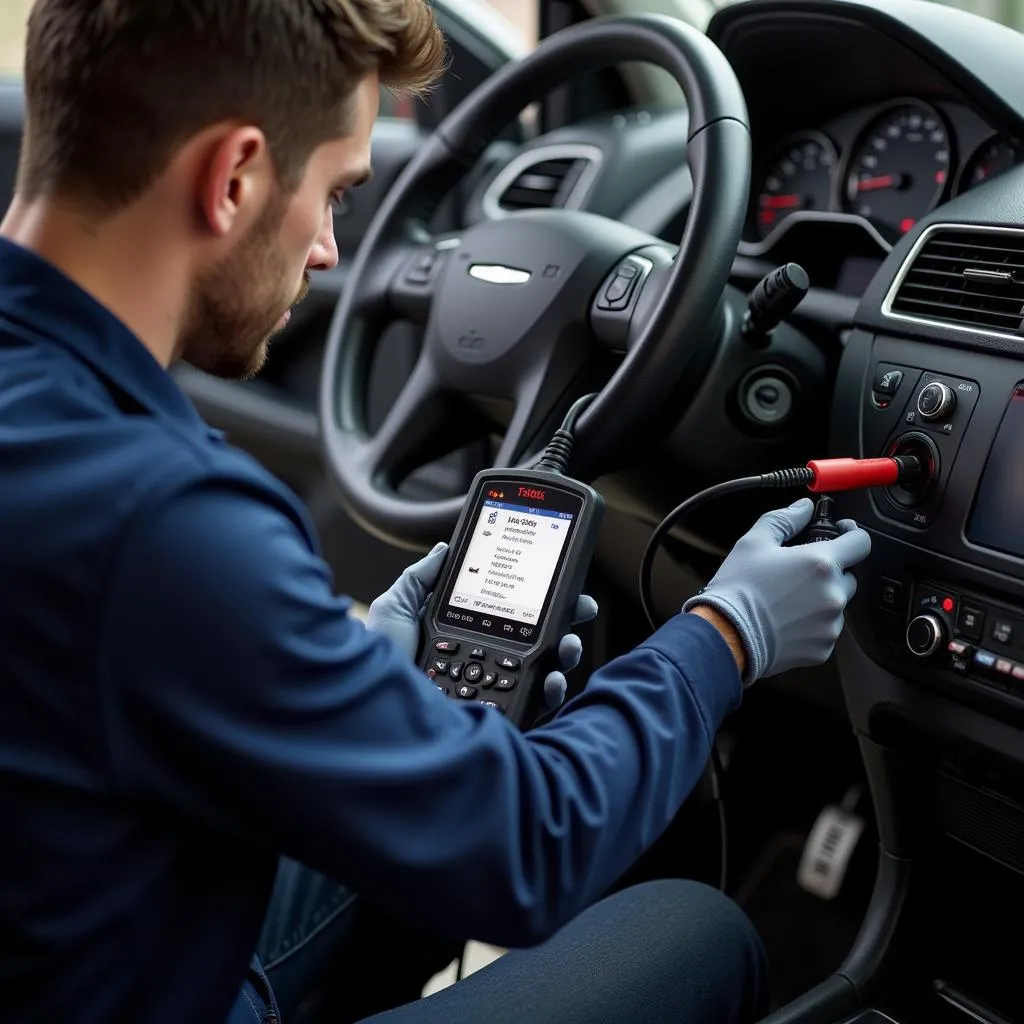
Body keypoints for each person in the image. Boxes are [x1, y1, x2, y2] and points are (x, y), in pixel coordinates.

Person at [0, 1, 872, 1022]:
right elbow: (526, 845)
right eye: (332, 193)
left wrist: (352, 671)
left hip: (77, 935)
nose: (329, 250)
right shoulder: (168, 520)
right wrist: (728, 634)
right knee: (697, 930)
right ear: (232, 176)